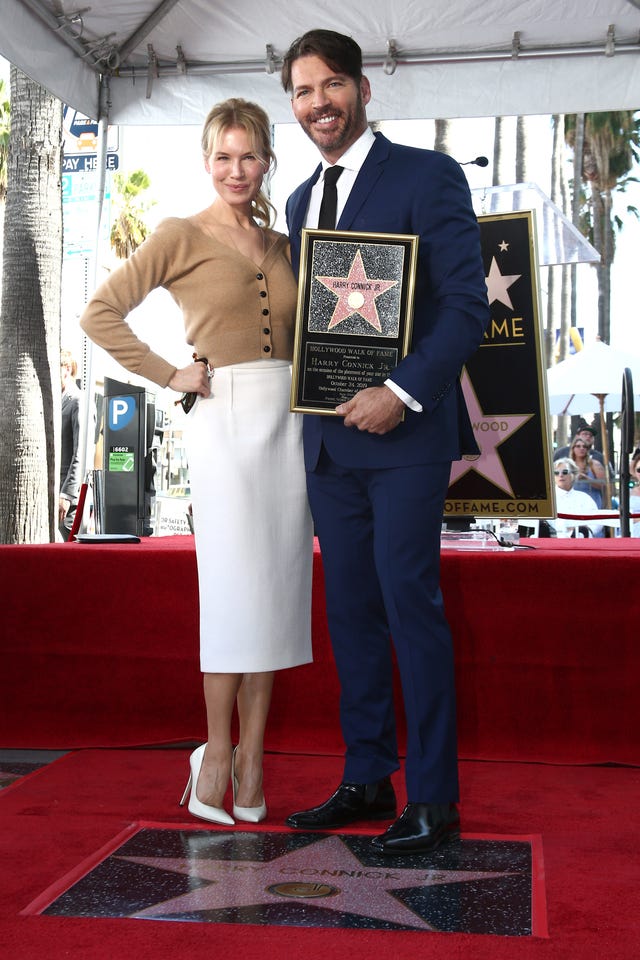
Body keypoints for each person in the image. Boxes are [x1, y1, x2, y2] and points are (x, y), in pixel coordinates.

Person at [280, 30, 489, 855]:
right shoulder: (300, 203)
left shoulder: (427, 175)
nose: (318, 103)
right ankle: (367, 776)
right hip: (327, 449)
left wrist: (398, 393)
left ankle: (434, 799)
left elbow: (466, 306)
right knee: (352, 617)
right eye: (302, 91)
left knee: (410, 610)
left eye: (331, 85)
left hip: (403, 439)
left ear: (363, 90)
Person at [80, 98, 313, 825]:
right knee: (234, 592)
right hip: (223, 421)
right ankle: (215, 750)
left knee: (276, 593)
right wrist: (171, 372)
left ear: (267, 160)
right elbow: (99, 313)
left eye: (249, 156)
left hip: (292, 423)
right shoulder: (180, 234)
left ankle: (253, 759)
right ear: (207, 161)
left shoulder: (285, 243)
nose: (236, 170)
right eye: (223, 156)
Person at [59, 350, 82, 540]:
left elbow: (80, 453)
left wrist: (67, 495)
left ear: (67, 369)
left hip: (68, 500)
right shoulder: (61, 400)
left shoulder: (77, 400)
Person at [550, 457, 602, 537]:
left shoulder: (584, 498)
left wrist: (583, 529)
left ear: (573, 475)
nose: (560, 475)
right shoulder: (549, 500)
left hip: (583, 541)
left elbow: (597, 521)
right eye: (556, 473)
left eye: (565, 472)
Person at [569, 433, 606, 509]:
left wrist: (587, 479)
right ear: (573, 448)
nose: (581, 448)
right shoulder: (567, 465)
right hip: (573, 503)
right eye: (578, 446)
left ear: (587, 449)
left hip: (592, 502)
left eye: (584, 446)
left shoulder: (594, 464)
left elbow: (603, 485)